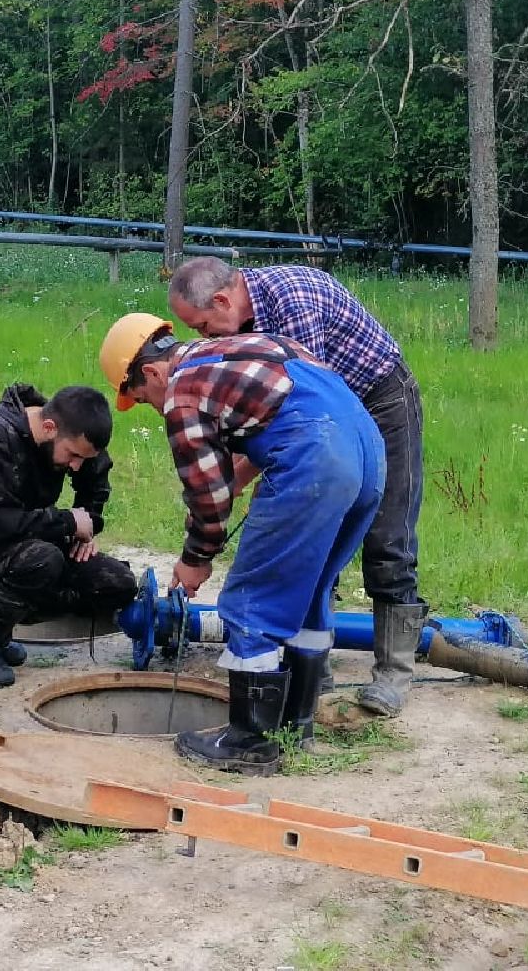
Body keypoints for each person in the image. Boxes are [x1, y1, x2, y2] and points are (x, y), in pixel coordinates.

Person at [99, 312, 384, 774]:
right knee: (309, 592)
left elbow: (209, 503)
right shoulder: (245, 346)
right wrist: (236, 479)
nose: (155, 406)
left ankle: (249, 743)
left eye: (142, 398)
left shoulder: (181, 391)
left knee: (250, 602)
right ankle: (296, 727)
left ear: (150, 373)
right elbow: (272, 420)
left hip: (314, 457)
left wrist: (195, 559)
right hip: (368, 452)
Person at [167, 257, 425, 716]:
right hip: (331, 419)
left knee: (388, 538)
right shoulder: (243, 318)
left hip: (377, 402)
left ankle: (394, 673)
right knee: (315, 542)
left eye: (205, 326)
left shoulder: (292, 298)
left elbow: (307, 404)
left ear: (223, 300)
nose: (208, 339)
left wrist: (231, 482)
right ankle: (313, 671)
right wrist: (233, 480)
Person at [0, 384, 137, 689]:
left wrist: (85, 526)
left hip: (26, 545)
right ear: (49, 427)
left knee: (117, 583)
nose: (75, 466)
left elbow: (95, 476)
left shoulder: (73, 434)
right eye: (73, 456)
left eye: (82, 459)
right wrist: (67, 522)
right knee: (42, 561)